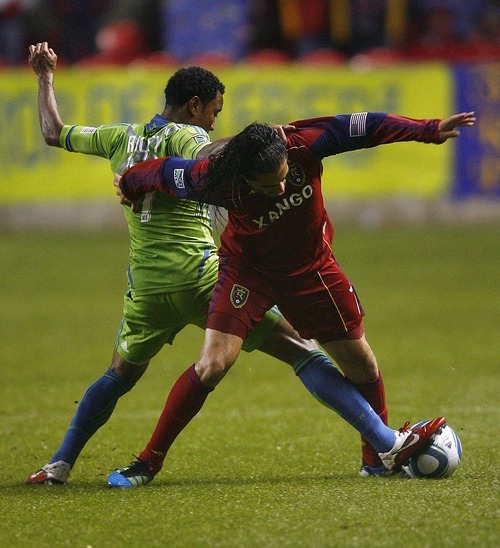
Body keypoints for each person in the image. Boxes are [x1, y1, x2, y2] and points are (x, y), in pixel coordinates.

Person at [26, 42, 394, 486]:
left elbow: (53, 132)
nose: (215, 119)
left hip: (146, 289)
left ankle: (59, 463)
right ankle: (388, 443)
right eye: (214, 111)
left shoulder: (117, 137)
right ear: (194, 106)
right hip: (202, 278)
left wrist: (45, 77)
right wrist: (254, 139)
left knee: (118, 376)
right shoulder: (191, 137)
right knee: (302, 352)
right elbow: (210, 154)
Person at [110, 111, 474, 487]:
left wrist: (427, 130)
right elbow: (164, 171)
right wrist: (130, 184)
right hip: (247, 272)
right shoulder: (215, 179)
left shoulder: (304, 143)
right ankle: (148, 462)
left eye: (284, 178)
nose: (281, 189)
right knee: (213, 364)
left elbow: (365, 127)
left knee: (362, 365)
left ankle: (377, 459)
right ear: (244, 176)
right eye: (269, 186)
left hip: (312, 270)